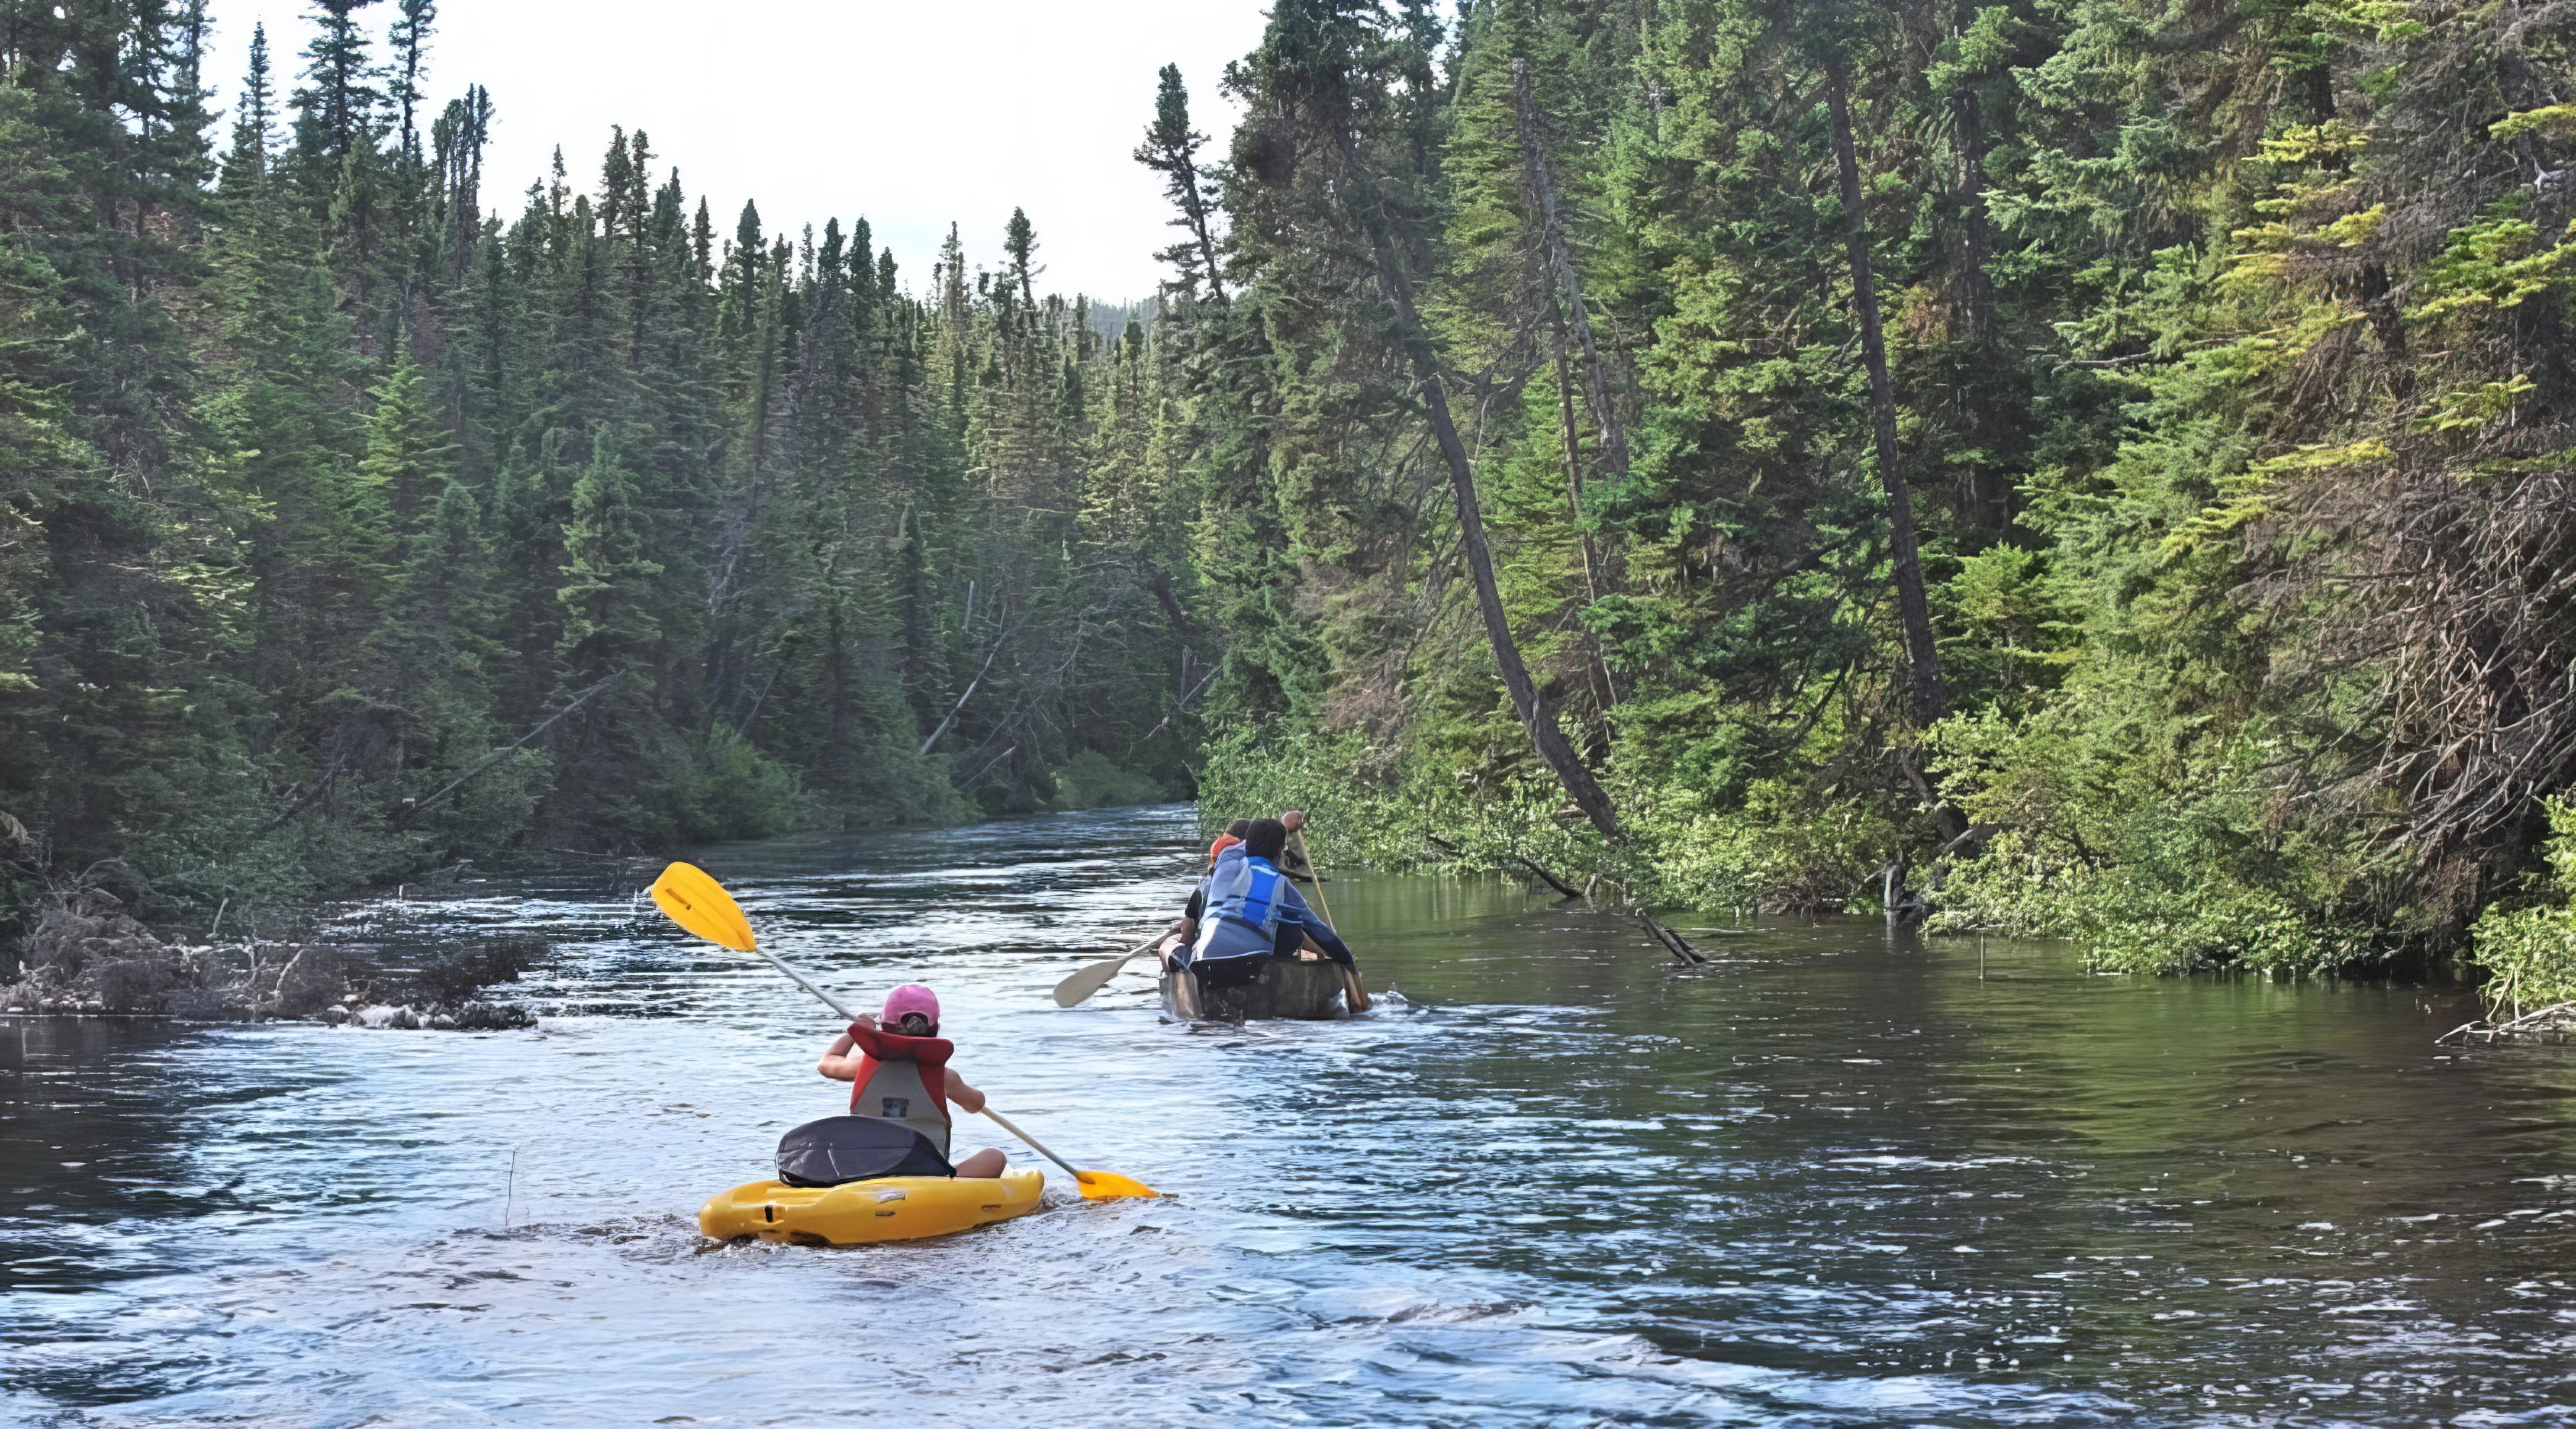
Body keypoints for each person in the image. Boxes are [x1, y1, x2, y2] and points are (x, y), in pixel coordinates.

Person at [1173, 816, 1371, 1011]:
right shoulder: (1282, 886)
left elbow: (1245, 845)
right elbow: (1322, 933)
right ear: (1280, 854)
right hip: (1254, 965)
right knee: (1292, 925)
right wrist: (1349, 965)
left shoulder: (1225, 864)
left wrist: (1284, 825)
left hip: (1206, 960)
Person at [816, 983, 1008, 1179]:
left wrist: (855, 1032)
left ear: (884, 1029)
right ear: (936, 1030)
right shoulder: (944, 1077)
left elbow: (826, 1064)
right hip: (928, 1180)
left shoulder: (862, 1066)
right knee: (995, 1157)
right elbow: (975, 1104)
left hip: (866, 1174)